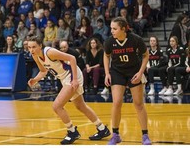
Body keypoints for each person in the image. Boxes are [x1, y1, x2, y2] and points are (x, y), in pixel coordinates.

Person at [27, 35, 110, 145]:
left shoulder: (49, 52)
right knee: (81, 106)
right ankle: (102, 128)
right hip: (64, 78)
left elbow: (72, 58)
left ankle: (72, 132)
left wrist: (75, 79)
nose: (31, 50)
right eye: (29, 47)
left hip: (72, 76)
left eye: (34, 47)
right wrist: (35, 79)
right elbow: (43, 71)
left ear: (40, 46)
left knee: (57, 106)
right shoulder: (35, 56)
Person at [103, 17, 151, 145]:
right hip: (117, 72)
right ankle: (115, 134)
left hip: (134, 72)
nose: (112, 31)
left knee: (138, 103)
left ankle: (145, 135)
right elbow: (106, 55)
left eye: (114, 28)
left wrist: (141, 73)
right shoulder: (109, 42)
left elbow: (146, 55)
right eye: (111, 28)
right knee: (117, 102)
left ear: (123, 29)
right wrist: (107, 73)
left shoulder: (135, 39)